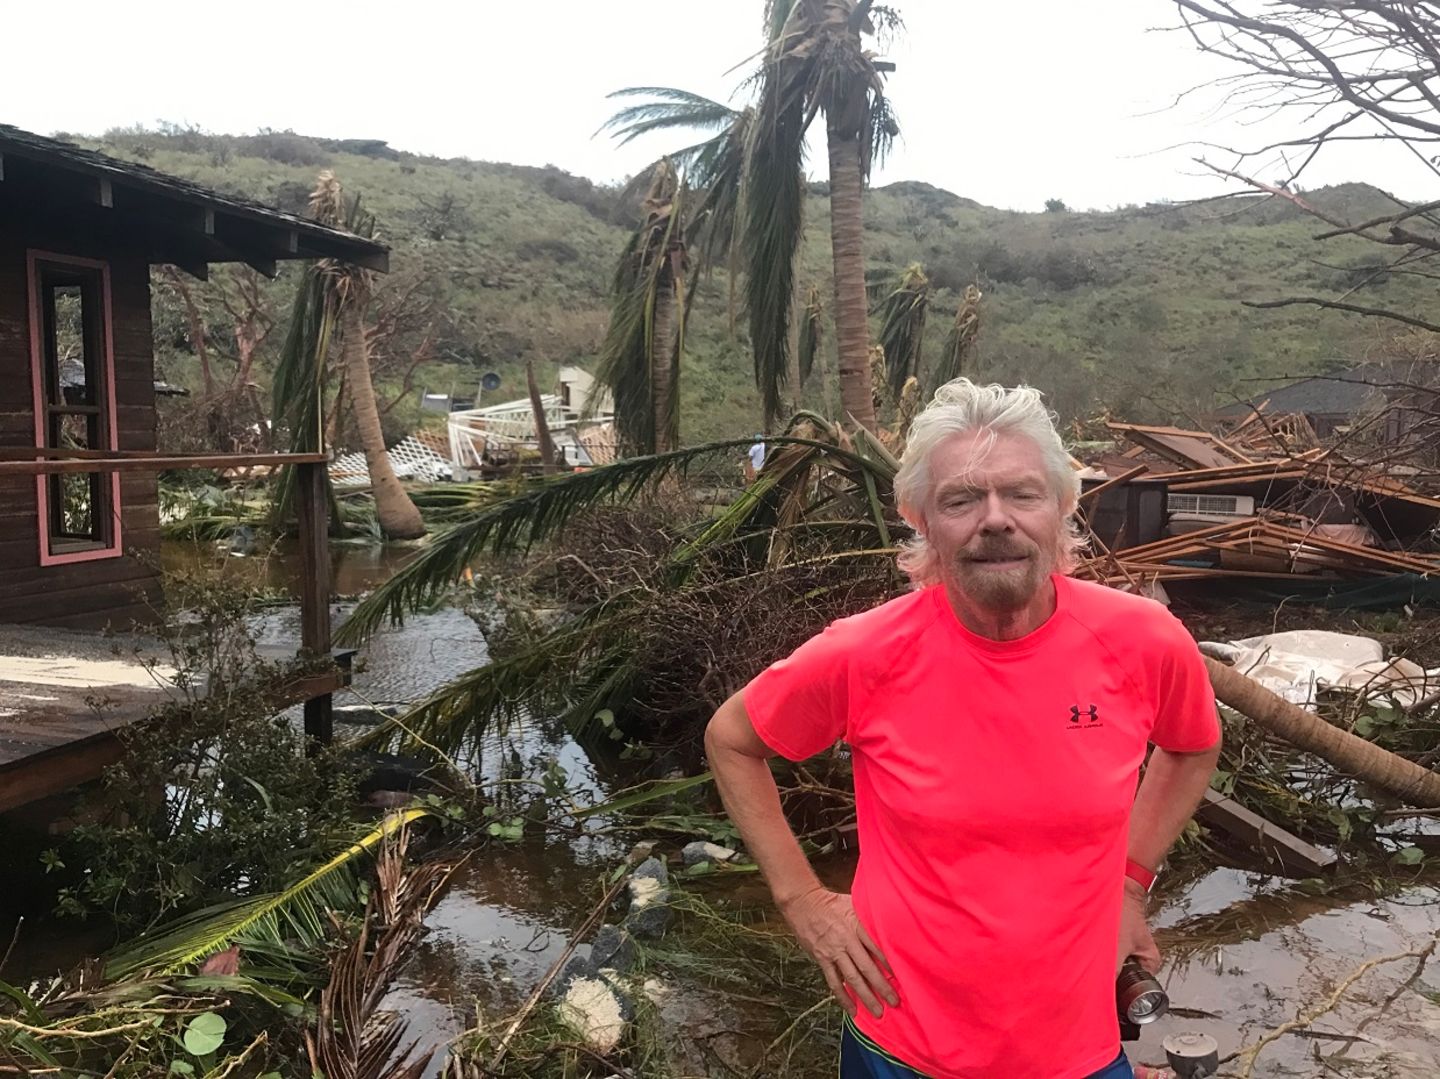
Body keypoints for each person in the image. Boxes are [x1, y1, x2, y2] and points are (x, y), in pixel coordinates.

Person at [704, 379, 1221, 1079]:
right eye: (962, 499)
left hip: (1078, 1045)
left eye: (1022, 493)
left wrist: (1130, 885)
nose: (996, 518)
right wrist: (804, 899)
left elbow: (1193, 745)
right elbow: (732, 739)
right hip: (904, 1043)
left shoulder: (1143, 641)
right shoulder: (864, 653)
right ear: (922, 520)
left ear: (1061, 507)